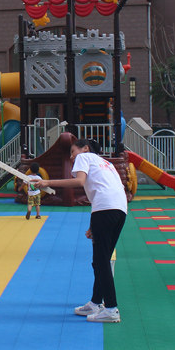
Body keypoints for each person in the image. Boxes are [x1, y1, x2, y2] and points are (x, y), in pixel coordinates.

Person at [33, 138, 127, 323]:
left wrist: (47, 182)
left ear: (85, 148)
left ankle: (111, 308)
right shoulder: (106, 163)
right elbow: (104, 191)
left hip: (105, 209)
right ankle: (95, 303)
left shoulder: (84, 157)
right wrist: (93, 225)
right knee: (101, 260)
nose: (71, 157)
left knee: (100, 261)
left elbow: (79, 181)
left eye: (73, 152)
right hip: (119, 210)